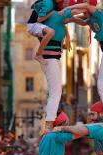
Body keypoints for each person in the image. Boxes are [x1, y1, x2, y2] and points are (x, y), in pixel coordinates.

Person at [27, 3, 85, 132]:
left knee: (56, 92)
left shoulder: (58, 16)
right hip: (50, 59)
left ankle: (49, 122)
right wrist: (90, 7)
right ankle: (49, 123)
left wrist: (88, 20)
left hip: (52, 58)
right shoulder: (57, 13)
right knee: (56, 92)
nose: (65, 3)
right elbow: (75, 12)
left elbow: (77, 19)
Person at [69, 0, 103, 124]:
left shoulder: (99, 13)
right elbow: (82, 21)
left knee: (102, 84)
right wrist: (69, 19)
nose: (84, 14)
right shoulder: (92, 19)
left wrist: (67, 10)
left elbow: (86, 7)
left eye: (85, 12)